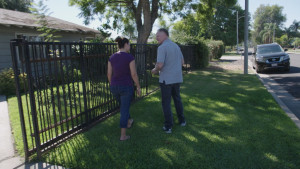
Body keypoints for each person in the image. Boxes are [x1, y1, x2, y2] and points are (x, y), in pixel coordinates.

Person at [151, 28, 186, 134]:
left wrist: (154, 70)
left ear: (165, 35)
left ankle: (168, 126)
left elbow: (160, 65)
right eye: (156, 35)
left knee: (166, 102)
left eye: (159, 35)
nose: (157, 37)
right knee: (177, 99)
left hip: (166, 80)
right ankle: (182, 121)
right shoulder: (176, 46)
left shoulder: (162, 47)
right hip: (177, 78)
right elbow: (182, 62)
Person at [107, 36, 141, 141]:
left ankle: (129, 120)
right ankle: (123, 136)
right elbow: (134, 74)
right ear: (125, 44)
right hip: (126, 87)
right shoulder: (129, 57)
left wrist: (112, 84)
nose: (130, 46)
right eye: (129, 44)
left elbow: (109, 74)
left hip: (114, 86)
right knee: (124, 110)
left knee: (123, 106)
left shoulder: (112, 57)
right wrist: (138, 86)